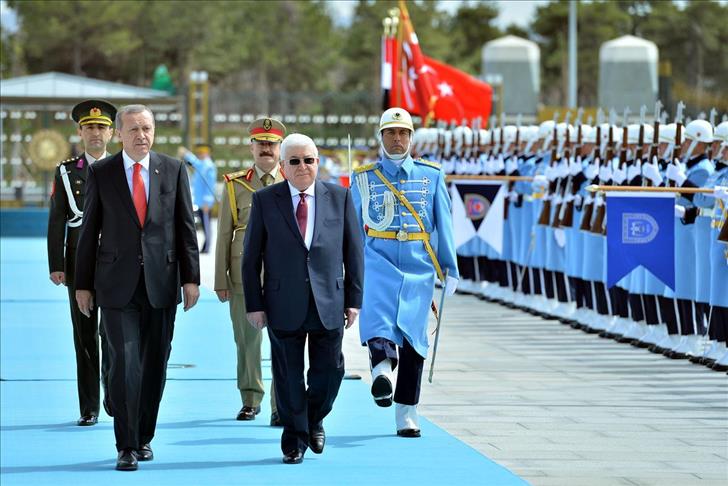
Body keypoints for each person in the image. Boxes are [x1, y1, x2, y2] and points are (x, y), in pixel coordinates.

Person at [75, 104, 200, 471]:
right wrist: (83, 285)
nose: (141, 135)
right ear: (119, 134)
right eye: (133, 129)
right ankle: (126, 445)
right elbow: (88, 232)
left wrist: (191, 278)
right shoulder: (102, 172)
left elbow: (185, 228)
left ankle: (144, 436)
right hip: (116, 285)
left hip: (161, 282)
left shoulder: (173, 169)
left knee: (155, 365)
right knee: (125, 364)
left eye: (147, 128)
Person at [242, 133, 363, 464]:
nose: (302, 167)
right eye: (294, 161)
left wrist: (354, 299)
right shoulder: (265, 200)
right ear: (282, 166)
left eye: (308, 160)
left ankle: (313, 419)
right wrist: (254, 304)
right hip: (283, 302)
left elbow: (354, 252)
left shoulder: (339, 197)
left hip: (329, 302)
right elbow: (251, 257)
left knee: (331, 371)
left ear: (317, 162)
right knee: (288, 377)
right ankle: (294, 439)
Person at [351, 107, 458, 438]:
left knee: (413, 339)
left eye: (403, 133)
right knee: (378, 323)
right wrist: (348, 267)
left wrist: (450, 267)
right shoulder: (363, 177)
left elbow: (444, 224)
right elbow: (351, 229)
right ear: (380, 137)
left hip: (417, 266)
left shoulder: (432, 175)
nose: (397, 139)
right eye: (390, 133)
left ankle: (407, 411)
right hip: (377, 262)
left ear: (411, 138)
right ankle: (382, 371)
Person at [47, 99, 116, 427]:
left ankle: (113, 394)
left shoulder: (121, 168)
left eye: (101, 127)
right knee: (84, 334)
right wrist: (56, 263)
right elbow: (57, 218)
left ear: (111, 133)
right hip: (78, 260)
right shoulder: (66, 171)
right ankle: (89, 406)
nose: (95, 133)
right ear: (80, 132)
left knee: (113, 332)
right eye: (89, 127)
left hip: (114, 260)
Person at [215, 117, 285, 424]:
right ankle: (250, 399)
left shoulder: (292, 179)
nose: (266, 149)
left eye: (271, 144)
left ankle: (281, 404)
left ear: (280, 148)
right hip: (244, 274)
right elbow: (223, 234)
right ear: (251, 147)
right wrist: (221, 279)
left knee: (285, 343)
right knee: (247, 341)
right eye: (261, 143)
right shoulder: (235, 184)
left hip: (284, 276)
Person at [178, 143, 218, 253]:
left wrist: (207, 201)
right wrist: (186, 154)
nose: (200, 154)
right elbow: (195, 162)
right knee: (204, 225)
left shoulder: (209, 166)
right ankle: (205, 246)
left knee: (206, 225)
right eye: (199, 153)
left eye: (202, 152)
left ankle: (207, 246)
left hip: (205, 202)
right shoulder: (202, 164)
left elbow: (210, 185)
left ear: (207, 153)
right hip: (200, 201)